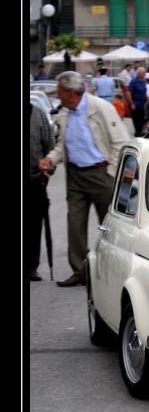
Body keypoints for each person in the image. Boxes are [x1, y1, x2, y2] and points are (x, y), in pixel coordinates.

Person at [38, 71, 130, 287]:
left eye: (60, 92)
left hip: (101, 174)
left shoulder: (100, 108)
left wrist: (111, 172)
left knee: (110, 226)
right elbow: (63, 145)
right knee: (74, 224)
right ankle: (81, 272)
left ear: (71, 91)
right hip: (76, 176)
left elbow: (121, 142)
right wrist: (50, 159)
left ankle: (116, 270)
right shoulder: (66, 112)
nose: (57, 96)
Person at [30, 102, 56, 281]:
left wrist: (46, 174)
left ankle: (31, 266)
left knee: (33, 224)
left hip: (34, 179)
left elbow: (50, 147)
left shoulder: (38, 115)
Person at [127, 67, 147, 134]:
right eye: (144, 73)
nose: (145, 74)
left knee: (143, 122)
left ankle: (140, 135)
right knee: (137, 124)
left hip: (143, 105)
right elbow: (129, 92)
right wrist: (132, 104)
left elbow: (144, 92)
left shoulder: (143, 81)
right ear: (139, 74)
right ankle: (137, 136)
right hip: (135, 105)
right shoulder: (134, 81)